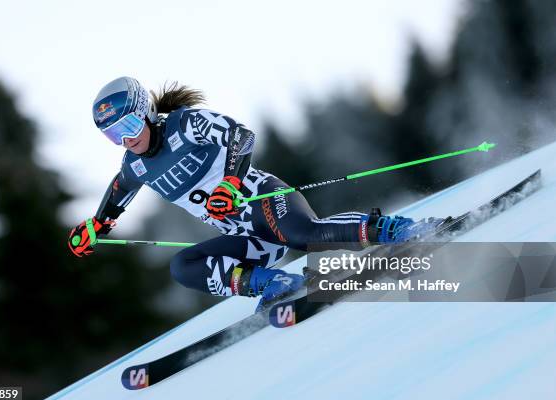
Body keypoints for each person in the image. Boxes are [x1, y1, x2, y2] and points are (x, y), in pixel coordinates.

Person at [68, 76, 444, 309]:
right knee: (183, 267)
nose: (128, 138)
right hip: (245, 236)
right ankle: (273, 284)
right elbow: (119, 191)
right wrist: (97, 226)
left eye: (130, 123)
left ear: (146, 111)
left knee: (303, 235)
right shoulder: (135, 166)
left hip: (264, 200)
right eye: (114, 134)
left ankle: (396, 229)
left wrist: (231, 183)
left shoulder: (185, 124)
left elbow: (241, 136)